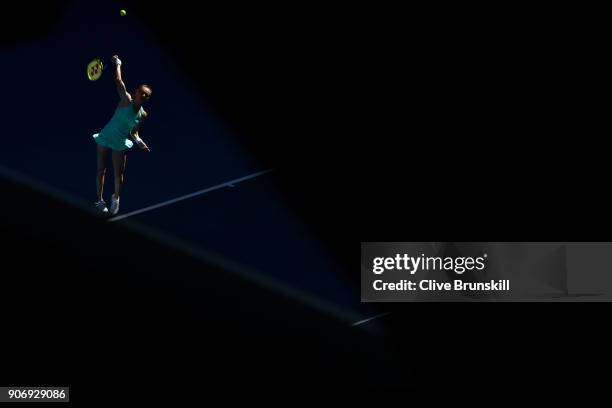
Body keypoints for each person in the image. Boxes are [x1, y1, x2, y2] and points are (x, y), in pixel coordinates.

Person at [92, 54, 151, 215]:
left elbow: (134, 131)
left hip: (119, 142)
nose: (144, 96)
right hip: (105, 136)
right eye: (142, 93)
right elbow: (119, 81)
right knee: (101, 170)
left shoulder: (143, 115)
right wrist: (118, 64)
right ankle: (99, 200)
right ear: (136, 93)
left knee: (118, 174)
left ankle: (116, 198)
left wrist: (138, 141)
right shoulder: (126, 99)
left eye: (147, 95)